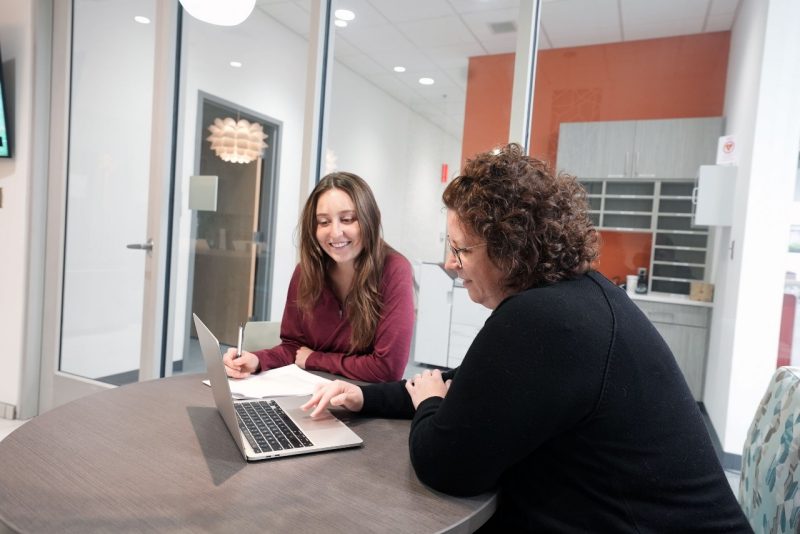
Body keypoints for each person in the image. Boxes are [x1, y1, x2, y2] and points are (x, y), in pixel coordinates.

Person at [301, 144, 752, 532]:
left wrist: (431, 406)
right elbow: (472, 383)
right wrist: (366, 398)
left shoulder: (541, 319)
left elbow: (447, 466)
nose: (451, 265)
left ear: (508, 247)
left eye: (460, 249)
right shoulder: (575, 295)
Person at [223, 172, 414, 383]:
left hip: (364, 404)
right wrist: (256, 360)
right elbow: (293, 349)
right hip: (310, 395)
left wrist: (315, 359)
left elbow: (387, 369)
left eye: (347, 219)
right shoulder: (305, 273)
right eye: (323, 222)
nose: (335, 232)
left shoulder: (395, 270)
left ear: (369, 219)